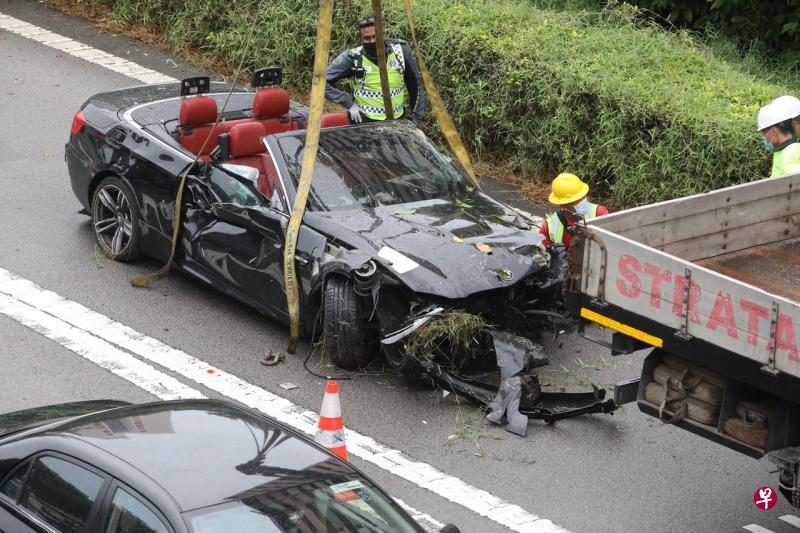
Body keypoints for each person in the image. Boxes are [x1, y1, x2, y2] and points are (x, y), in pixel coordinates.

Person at [325, 16, 426, 126]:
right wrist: (348, 103)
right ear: (361, 39)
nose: (372, 41)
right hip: (364, 123)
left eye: (375, 37)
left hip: (396, 122)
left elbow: (416, 86)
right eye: (367, 38)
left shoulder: (401, 51)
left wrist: (415, 121)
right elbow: (321, 83)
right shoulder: (353, 57)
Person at [539, 173, 609, 249]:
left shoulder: (600, 214)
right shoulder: (549, 226)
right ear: (563, 205)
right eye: (575, 200)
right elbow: (542, 253)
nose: (583, 200)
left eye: (583, 196)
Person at [757, 99, 800, 178]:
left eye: (764, 133)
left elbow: (796, 182)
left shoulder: (790, 152)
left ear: (773, 131)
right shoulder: (783, 151)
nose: (764, 138)